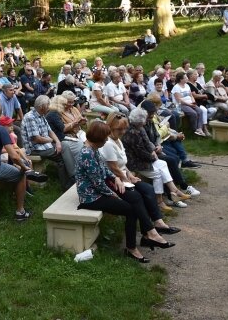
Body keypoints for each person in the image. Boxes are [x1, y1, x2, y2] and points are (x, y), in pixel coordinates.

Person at [76, 120, 174, 263]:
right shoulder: (87, 153)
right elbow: (97, 182)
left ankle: (140, 241)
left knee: (133, 203)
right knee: (130, 210)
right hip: (90, 197)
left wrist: (115, 178)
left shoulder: (92, 149)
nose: (106, 141)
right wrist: (113, 195)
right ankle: (134, 246)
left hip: (98, 192)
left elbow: (103, 169)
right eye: (105, 138)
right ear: (99, 139)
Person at [101, 114, 180, 235]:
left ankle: (158, 223)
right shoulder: (108, 143)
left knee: (148, 189)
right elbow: (114, 168)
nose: (123, 131)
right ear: (110, 127)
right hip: (114, 180)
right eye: (119, 129)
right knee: (139, 196)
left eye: (124, 128)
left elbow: (123, 165)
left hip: (124, 177)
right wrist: (127, 180)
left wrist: (130, 175)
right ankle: (149, 233)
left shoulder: (118, 140)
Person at [123, 108, 191, 212]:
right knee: (157, 173)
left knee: (163, 163)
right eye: (145, 119)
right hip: (135, 162)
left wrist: (153, 150)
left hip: (144, 158)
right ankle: (159, 201)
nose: (147, 120)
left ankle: (174, 191)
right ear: (140, 121)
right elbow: (140, 152)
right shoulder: (131, 133)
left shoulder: (140, 128)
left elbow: (147, 142)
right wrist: (153, 156)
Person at [21, 96, 70, 190]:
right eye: (48, 105)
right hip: (34, 148)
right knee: (62, 157)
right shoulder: (30, 117)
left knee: (64, 147)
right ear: (42, 106)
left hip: (43, 146)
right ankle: (65, 185)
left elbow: (50, 131)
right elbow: (36, 139)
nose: (49, 107)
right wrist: (51, 141)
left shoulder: (41, 114)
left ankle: (70, 177)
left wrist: (57, 142)